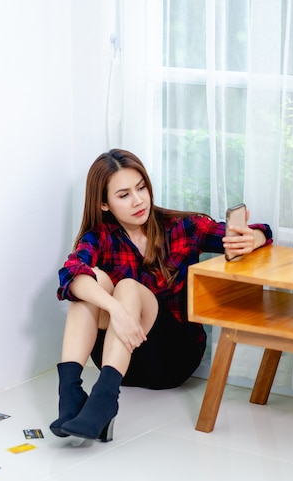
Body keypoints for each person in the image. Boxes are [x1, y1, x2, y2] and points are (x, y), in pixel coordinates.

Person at [50, 149, 273, 442]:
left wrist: (255, 236)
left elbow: (253, 232)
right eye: (124, 194)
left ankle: (104, 398)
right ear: (104, 203)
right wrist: (116, 310)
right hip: (120, 363)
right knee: (90, 280)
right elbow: (70, 275)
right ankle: (71, 394)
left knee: (127, 286)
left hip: (172, 357)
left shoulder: (182, 226)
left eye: (141, 187)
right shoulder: (100, 235)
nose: (139, 200)